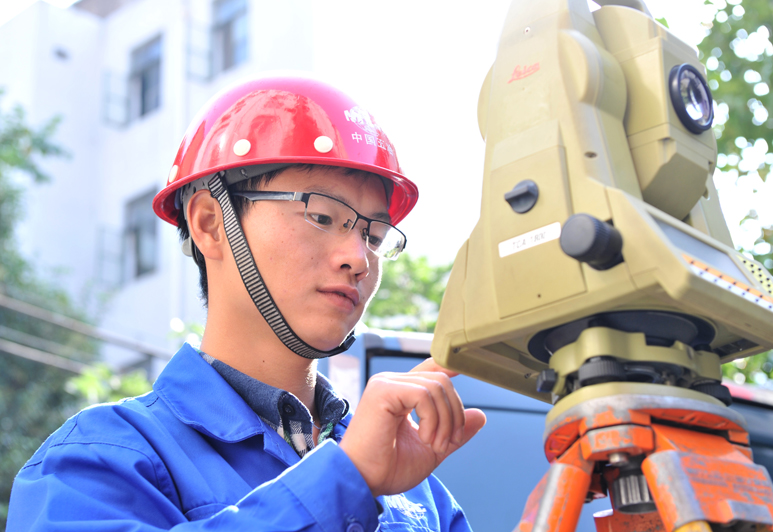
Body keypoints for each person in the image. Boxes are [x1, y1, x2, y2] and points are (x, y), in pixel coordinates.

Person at [7, 73, 486, 531]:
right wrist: (346, 481)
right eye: (322, 216)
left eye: (374, 236)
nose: (358, 259)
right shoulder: (98, 461)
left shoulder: (418, 492)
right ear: (210, 224)